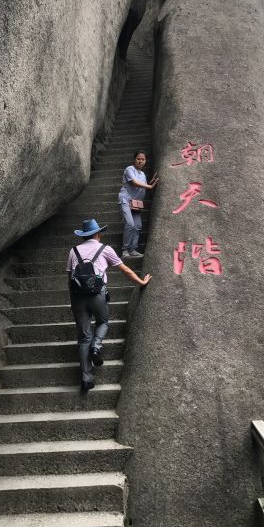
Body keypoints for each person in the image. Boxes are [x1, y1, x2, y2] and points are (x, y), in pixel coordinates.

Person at [66, 218, 152, 393]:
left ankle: (86, 379)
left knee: (83, 338)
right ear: (98, 234)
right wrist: (141, 282)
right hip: (98, 295)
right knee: (103, 322)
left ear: (83, 236)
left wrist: (74, 301)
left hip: (78, 298)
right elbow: (125, 269)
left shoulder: (73, 251)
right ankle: (97, 346)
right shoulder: (105, 249)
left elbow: (69, 278)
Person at [117, 150, 159, 258]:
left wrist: (149, 183)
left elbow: (142, 186)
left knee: (138, 225)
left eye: (143, 159)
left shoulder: (142, 174)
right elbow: (134, 183)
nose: (141, 161)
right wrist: (149, 186)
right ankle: (125, 250)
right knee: (130, 224)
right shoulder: (129, 169)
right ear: (134, 160)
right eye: (138, 159)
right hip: (125, 200)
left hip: (135, 203)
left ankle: (133, 249)